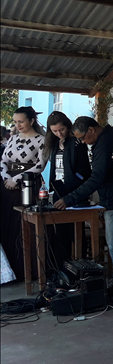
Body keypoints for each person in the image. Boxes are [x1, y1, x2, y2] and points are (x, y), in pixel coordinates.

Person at [54, 117, 113, 295]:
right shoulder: (109, 137)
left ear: (92, 130)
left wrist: (69, 199)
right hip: (112, 197)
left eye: (82, 138)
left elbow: (98, 177)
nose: (81, 142)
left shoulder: (105, 143)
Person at [43, 111, 92, 272]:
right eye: (55, 131)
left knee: (76, 233)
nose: (59, 133)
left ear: (67, 126)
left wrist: (73, 181)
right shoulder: (54, 144)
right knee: (61, 234)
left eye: (61, 129)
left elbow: (85, 171)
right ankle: (61, 270)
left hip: (75, 192)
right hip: (58, 191)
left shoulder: (77, 143)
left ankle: (82, 269)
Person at [1, 107, 46, 281]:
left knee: (24, 227)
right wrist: (7, 178)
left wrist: (17, 178)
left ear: (31, 121)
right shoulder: (13, 138)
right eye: (15, 121)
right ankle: (10, 272)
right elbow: (4, 161)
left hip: (27, 186)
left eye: (21, 121)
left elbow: (40, 165)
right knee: (7, 227)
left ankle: (28, 270)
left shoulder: (41, 140)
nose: (17, 125)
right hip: (7, 187)